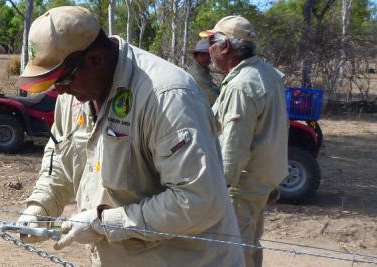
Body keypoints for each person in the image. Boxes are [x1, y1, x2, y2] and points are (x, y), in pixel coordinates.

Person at [14, 6, 244, 266]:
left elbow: (198, 201)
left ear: (95, 60)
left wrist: (104, 222)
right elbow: (60, 160)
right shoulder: (74, 97)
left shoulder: (167, 97)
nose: (60, 90)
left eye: (63, 78)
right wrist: (39, 209)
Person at [201, 15, 288, 267]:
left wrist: (217, 193)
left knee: (230, 254)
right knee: (248, 246)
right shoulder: (267, 74)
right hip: (261, 182)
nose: (209, 50)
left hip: (240, 189)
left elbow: (233, 151)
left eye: (212, 43)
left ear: (225, 46)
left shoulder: (241, 85)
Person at [188, 39, 220, 106]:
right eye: (202, 55)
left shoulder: (204, 71)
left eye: (209, 55)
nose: (206, 58)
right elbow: (214, 100)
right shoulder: (197, 75)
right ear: (195, 56)